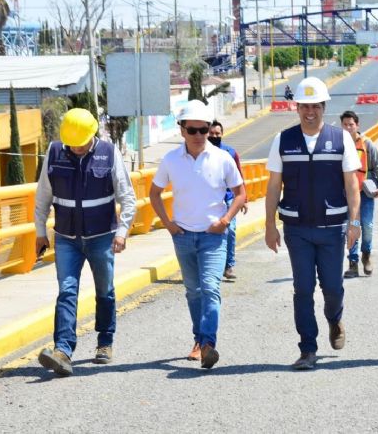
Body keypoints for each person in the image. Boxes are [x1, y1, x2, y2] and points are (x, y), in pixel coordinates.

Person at [264, 76, 362, 370]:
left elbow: (352, 184)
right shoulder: (283, 140)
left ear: (323, 107)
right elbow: (273, 186)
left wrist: (354, 222)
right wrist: (269, 225)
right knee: (303, 289)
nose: (310, 112)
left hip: (332, 229)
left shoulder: (340, 138)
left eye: (315, 107)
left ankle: (334, 319)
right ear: (297, 108)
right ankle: (307, 348)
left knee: (332, 288)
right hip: (297, 230)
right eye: (304, 107)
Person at [34, 108, 137, 377]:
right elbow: (43, 196)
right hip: (66, 238)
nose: (77, 148)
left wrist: (122, 231)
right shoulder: (55, 153)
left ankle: (105, 342)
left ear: (93, 134)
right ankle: (63, 351)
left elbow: (127, 195)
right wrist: (39, 231)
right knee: (66, 291)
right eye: (73, 143)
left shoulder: (109, 152)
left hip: (102, 237)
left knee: (105, 290)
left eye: (81, 143)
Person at [149, 100, 246, 369]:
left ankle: (207, 345)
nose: (199, 136)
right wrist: (168, 224)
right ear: (182, 130)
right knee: (193, 291)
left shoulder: (222, 158)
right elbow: (154, 194)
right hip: (182, 236)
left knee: (211, 288)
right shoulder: (170, 160)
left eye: (203, 130)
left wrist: (226, 220)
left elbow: (241, 194)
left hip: (213, 236)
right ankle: (199, 339)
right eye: (192, 131)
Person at [340, 110, 378, 278]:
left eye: (351, 124)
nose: (348, 127)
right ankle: (353, 263)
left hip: (364, 193)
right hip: (346, 194)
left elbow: (377, 165)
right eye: (345, 125)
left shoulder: (367, 144)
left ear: (357, 125)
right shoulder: (338, 145)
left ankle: (366, 255)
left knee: (367, 226)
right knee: (351, 226)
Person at [208, 119, 248, 282]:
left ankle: (229, 266)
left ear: (222, 134)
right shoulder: (201, 152)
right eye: (211, 133)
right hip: (211, 199)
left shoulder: (230, 153)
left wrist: (244, 199)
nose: (214, 136)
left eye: (217, 133)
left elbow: (239, 176)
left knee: (230, 229)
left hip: (230, 198)